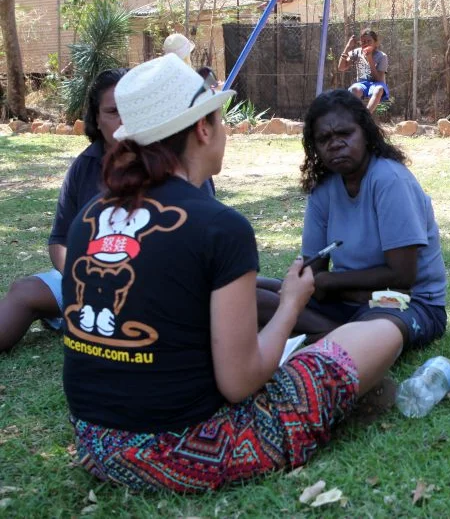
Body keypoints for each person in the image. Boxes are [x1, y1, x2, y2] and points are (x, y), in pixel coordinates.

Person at [62, 55, 404, 492]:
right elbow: (240, 383)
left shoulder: (89, 216)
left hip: (95, 443)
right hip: (181, 451)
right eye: (220, 121)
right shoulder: (220, 227)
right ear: (203, 128)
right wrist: (290, 305)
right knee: (384, 331)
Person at [256, 89, 447, 353]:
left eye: (345, 134)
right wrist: (310, 284)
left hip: (409, 303)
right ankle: (333, 336)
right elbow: (315, 269)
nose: (335, 143)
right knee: (252, 293)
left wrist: (330, 283)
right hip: (350, 299)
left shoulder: (390, 180)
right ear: (315, 147)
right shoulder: (324, 188)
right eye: (324, 138)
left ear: (366, 134)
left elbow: (403, 276)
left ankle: (323, 337)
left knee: (378, 325)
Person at [0, 69, 127, 352]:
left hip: (148, 282)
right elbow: (60, 240)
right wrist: (79, 280)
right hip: (86, 280)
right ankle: (68, 312)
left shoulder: (167, 159)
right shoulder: (84, 166)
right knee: (23, 291)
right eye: (113, 111)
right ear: (96, 118)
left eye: (132, 108)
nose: (125, 119)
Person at [337, 29, 389, 114]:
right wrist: (348, 47)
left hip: (377, 84)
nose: (366, 44)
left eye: (369, 41)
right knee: (355, 89)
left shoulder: (382, 56)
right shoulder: (357, 52)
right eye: (363, 42)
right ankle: (352, 116)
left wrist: (370, 59)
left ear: (376, 43)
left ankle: (366, 115)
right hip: (362, 84)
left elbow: (378, 79)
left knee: (378, 89)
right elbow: (341, 67)